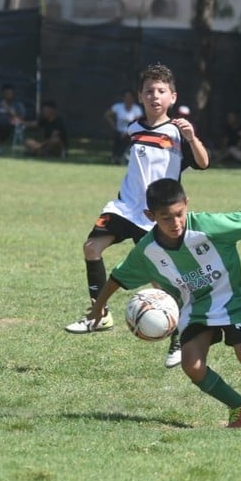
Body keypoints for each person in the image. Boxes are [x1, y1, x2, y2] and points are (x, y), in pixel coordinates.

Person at [85, 178, 241, 428]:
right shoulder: (147, 250)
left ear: (186, 204)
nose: (175, 223)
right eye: (165, 218)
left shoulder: (208, 226)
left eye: (179, 214)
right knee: (192, 366)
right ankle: (239, 407)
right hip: (194, 309)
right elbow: (118, 277)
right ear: (150, 215)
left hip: (230, 301)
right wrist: (99, 306)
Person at [64, 63, 209, 372]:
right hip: (125, 207)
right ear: (140, 96)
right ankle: (99, 315)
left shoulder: (177, 131)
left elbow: (204, 163)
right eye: (148, 91)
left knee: (160, 280)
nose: (154, 96)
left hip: (155, 214)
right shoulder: (133, 128)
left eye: (161, 91)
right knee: (91, 248)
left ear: (172, 96)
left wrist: (193, 138)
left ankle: (179, 340)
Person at [105, 89, 144, 165]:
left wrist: (127, 132)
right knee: (117, 138)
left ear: (133, 99)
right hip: (118, 131)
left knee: (126, 140)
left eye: (130, 97)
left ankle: (122, 157)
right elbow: (107, 114)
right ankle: (115, 157)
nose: (128, 99)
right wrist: (113, 125)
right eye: (126, 97)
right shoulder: (118, 106)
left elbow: (138, 122)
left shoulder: (137, 109)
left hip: (131, 133)